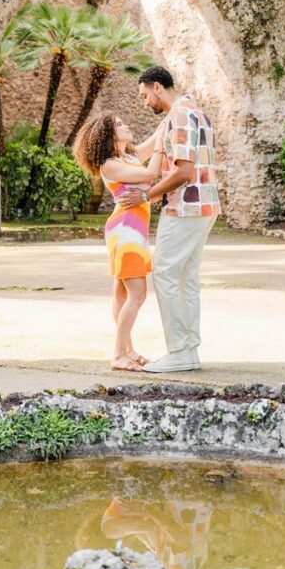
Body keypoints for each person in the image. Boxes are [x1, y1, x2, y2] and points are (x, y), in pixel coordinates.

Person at [118, 66, 220, 373]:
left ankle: (179, 351)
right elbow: (152, 155)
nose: (144, 101)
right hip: (205, 206)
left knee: (164, 273)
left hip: (186, 207)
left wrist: (146, 196)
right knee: (185, 278)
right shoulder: (194, 111)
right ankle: (188, 351)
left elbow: (184, 172)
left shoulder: (179, 116)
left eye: (144, 94)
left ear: (158, 88)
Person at [73, 113, 162, 372]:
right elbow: (152, 171)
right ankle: (118, 355)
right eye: (120, 125)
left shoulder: (129, 156)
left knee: (122, 294)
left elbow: (157, 136)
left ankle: (127, 350)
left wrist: (173, 115)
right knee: (138, 294)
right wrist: (162, 147)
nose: (127, 125)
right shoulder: (110, 164)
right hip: (126, 233)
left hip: (130, 230)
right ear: (110, 136)